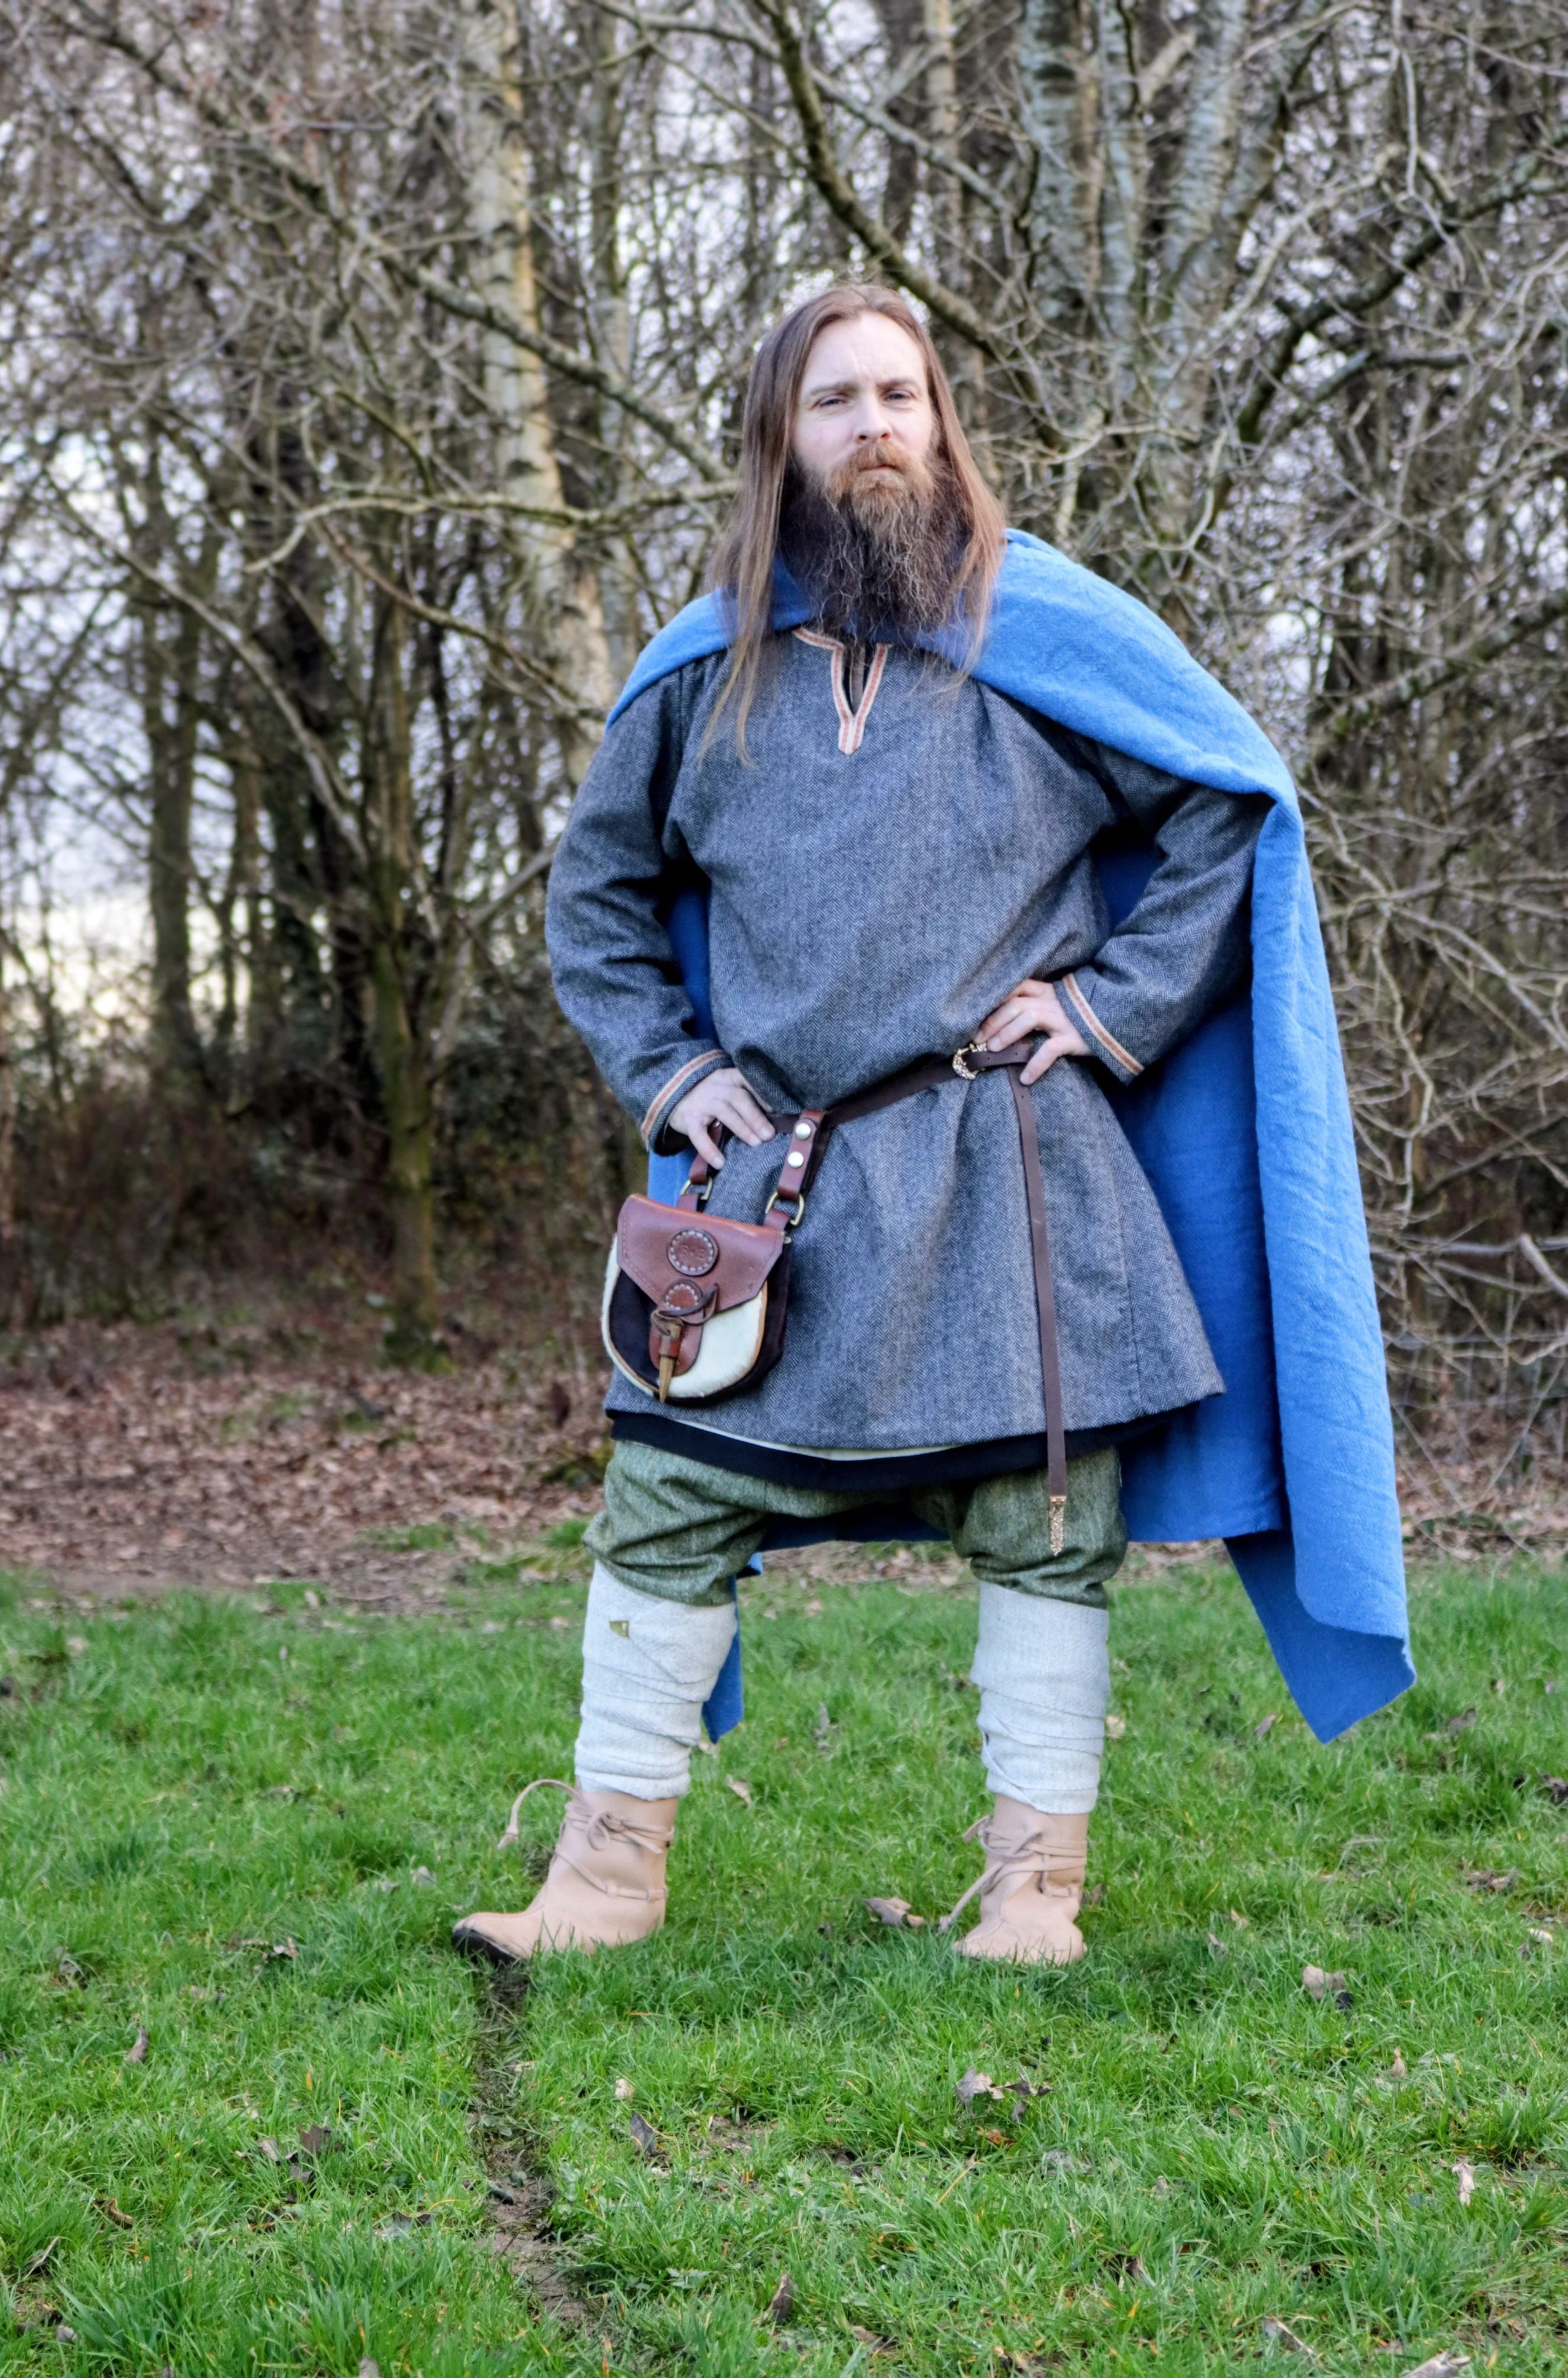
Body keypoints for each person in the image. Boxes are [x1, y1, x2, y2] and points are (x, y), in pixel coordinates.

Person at [454, 282, 1407, 1970]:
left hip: (1006, 1167)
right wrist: (671, 1075)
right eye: (836, 399)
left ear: (941, 422)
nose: (875, 424)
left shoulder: (1040, 634)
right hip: (774, 1186)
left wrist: (1108, 1006)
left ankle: (1033, 1890)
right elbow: (595, 900)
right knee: (667, 1495)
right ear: (780, 438)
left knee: (1045, 1522)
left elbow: (1224, 803)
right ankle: (605, 1875)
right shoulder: (700, 676)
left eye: (900, 393)